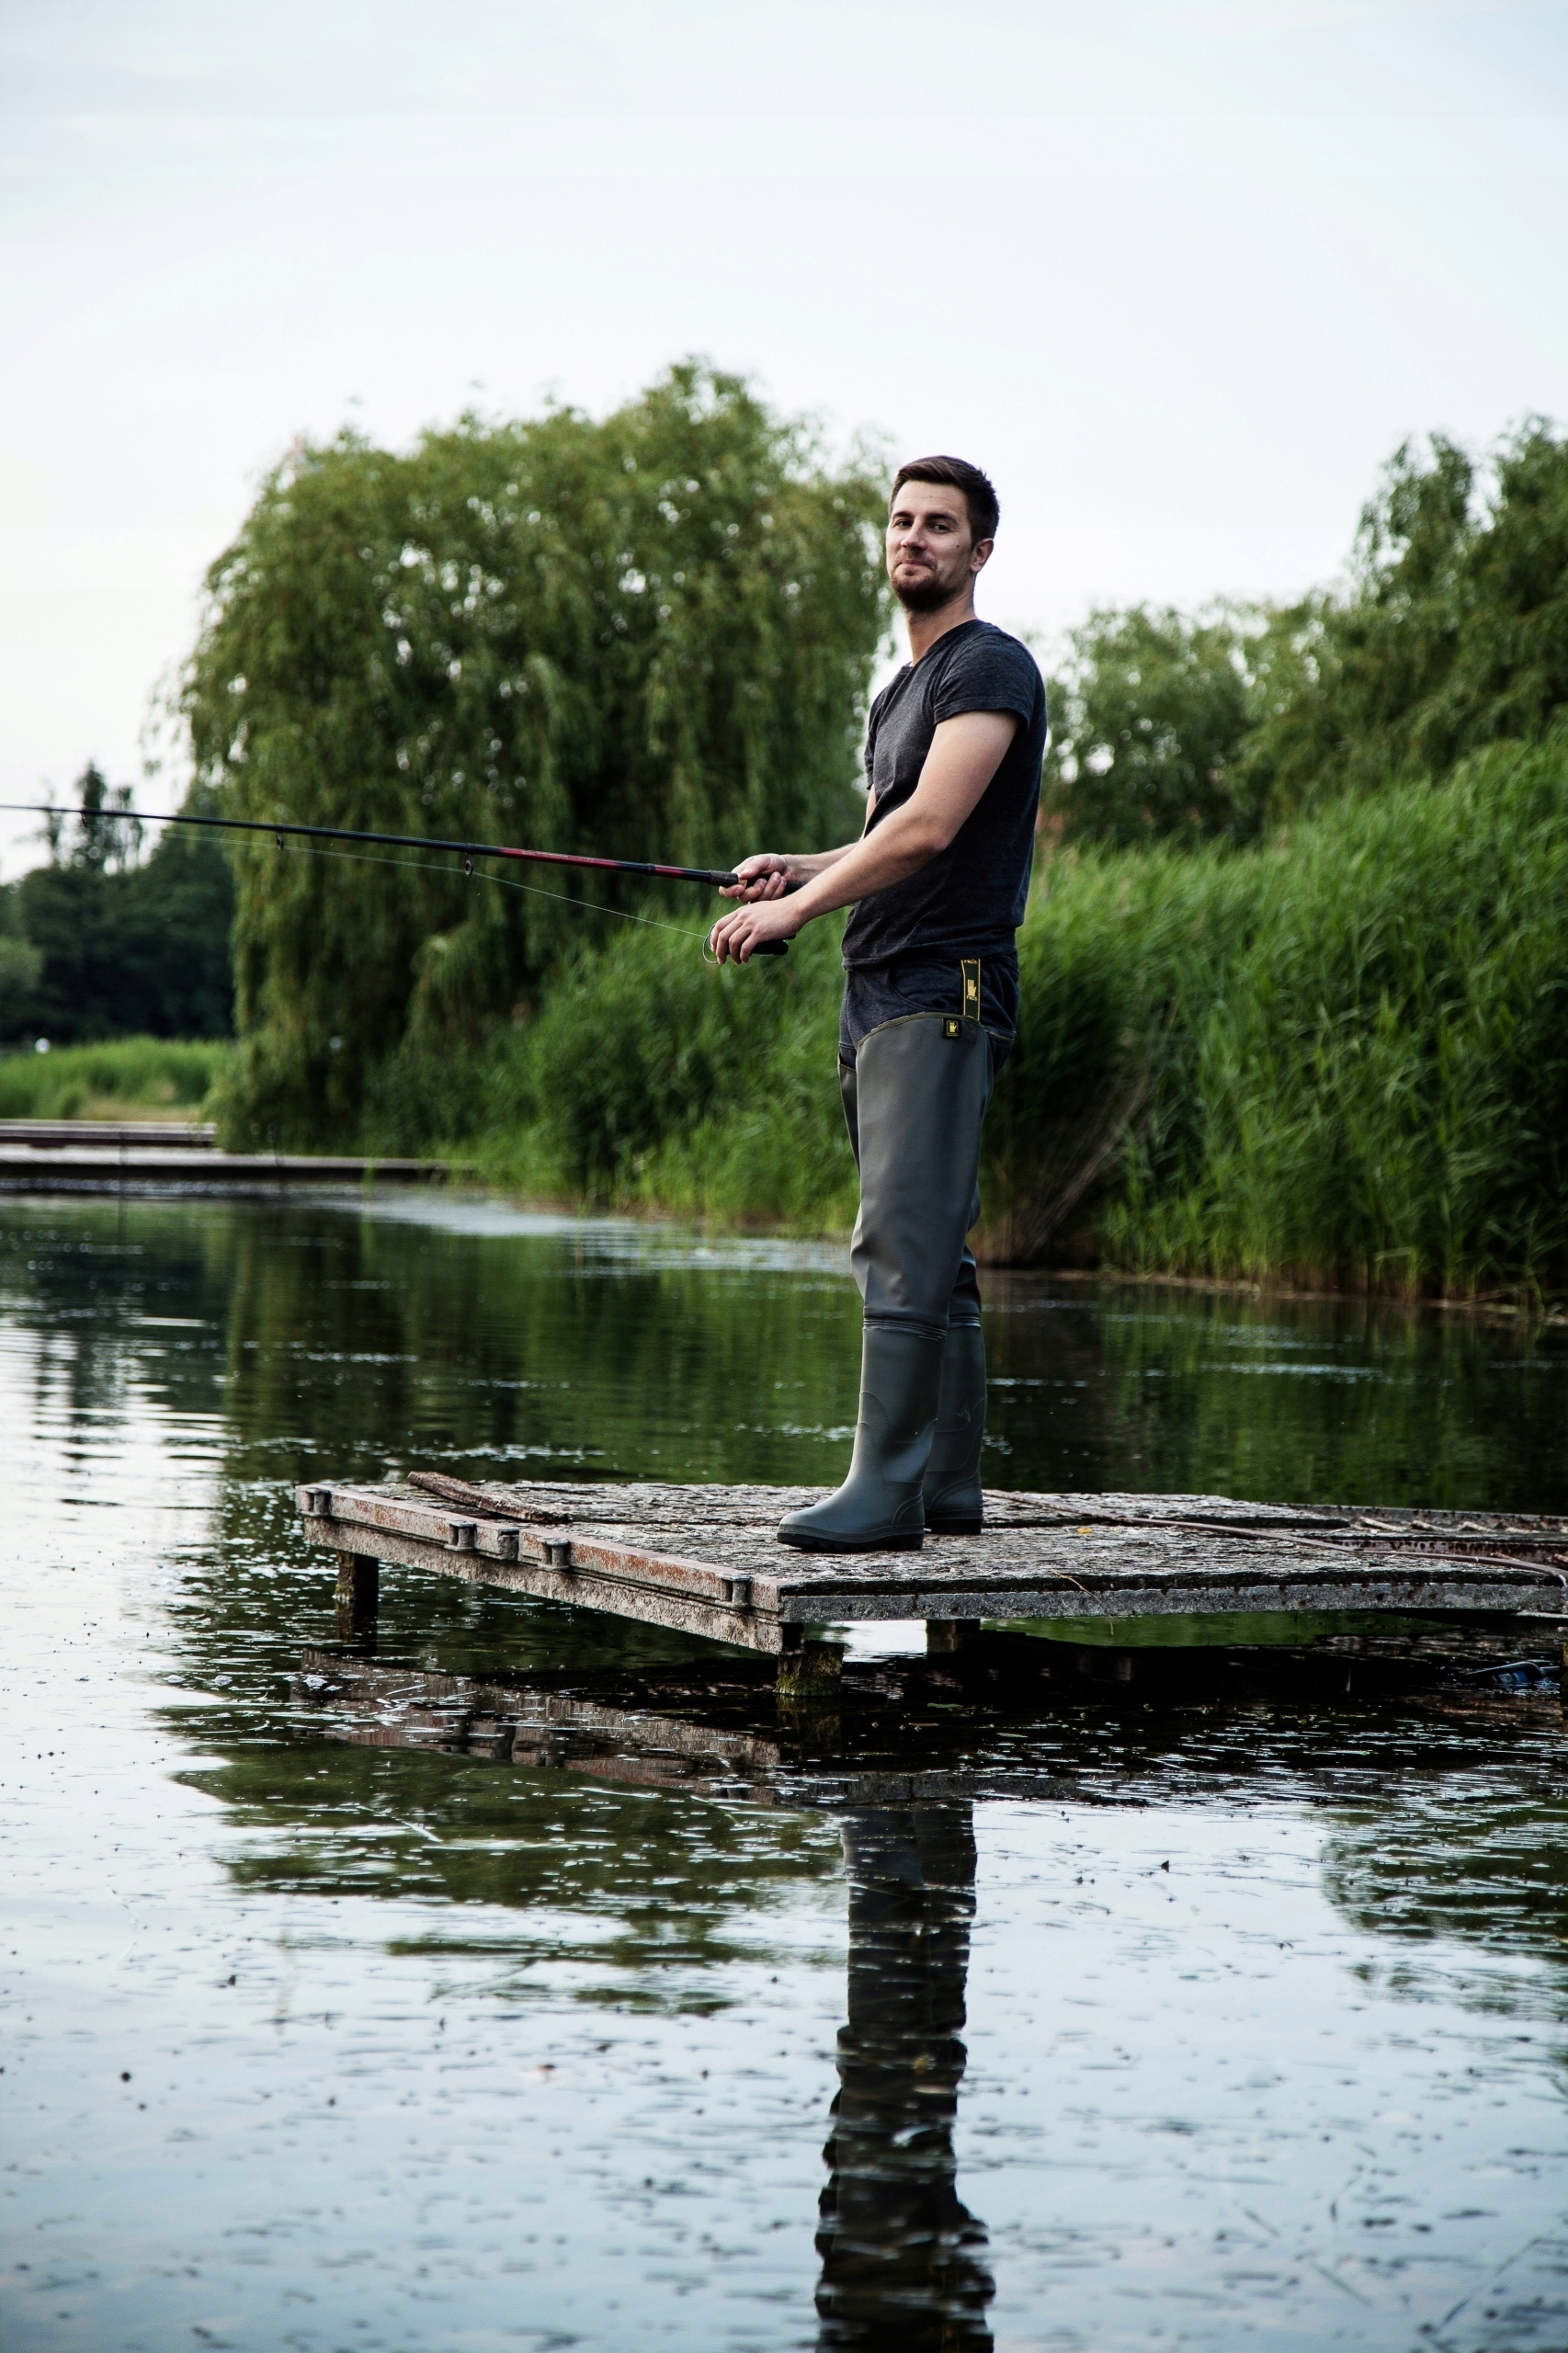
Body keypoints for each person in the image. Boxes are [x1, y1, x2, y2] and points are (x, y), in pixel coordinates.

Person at [710, 456, 1047, 1552]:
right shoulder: (897, 694)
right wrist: (796, 868)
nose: (912, 538)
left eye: (938, 525)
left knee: (900, 1241)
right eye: (900, 521)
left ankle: (884, 1495)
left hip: (943, 985)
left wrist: (798, 909)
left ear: (977, 551)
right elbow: (880, 837)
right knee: (932, 1245)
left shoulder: (987, 667)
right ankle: (945, 1487)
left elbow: (930, 829)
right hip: (880, 989)